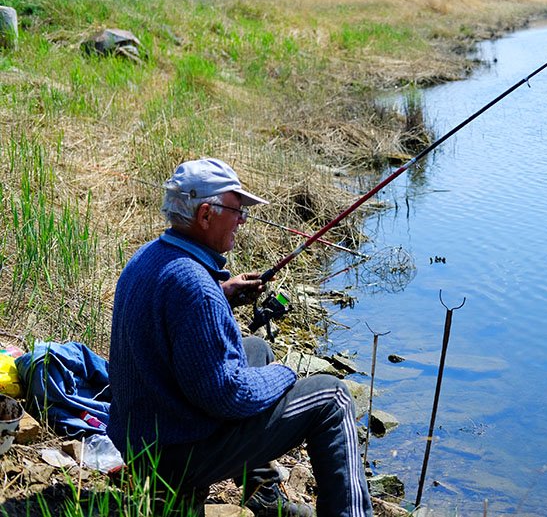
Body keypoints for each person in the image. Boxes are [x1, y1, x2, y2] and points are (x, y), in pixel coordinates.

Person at [108, 158, 372, 517]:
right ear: (205, 214)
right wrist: (287, 374)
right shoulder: (195, 288)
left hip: (141, 440)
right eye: (237, 211)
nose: (243, 220)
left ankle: (262, 493)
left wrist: (223, 293)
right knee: (332, 398)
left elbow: (178, 312)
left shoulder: (150, 257)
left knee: (255, 349)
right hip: (174, 458)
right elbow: (227, 395)